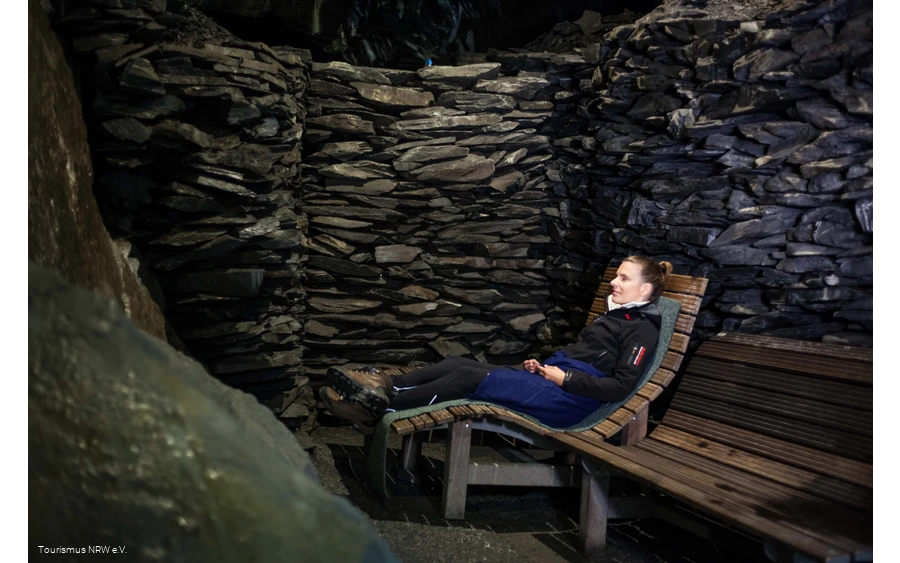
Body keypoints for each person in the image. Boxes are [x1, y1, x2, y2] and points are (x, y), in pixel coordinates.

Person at [320, 256, 673, 433]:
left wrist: (565, 379)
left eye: (623, 278)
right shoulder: (616, 317)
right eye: (616, 275)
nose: (614, 282)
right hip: (552, 382)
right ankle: (382, 383)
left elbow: (620, 386)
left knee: (467, 381)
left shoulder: (641, 330)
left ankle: (378, 408)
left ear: (644, 290)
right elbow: (586, 355)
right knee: (456, 363)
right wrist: (542, 368)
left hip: (570, 401)